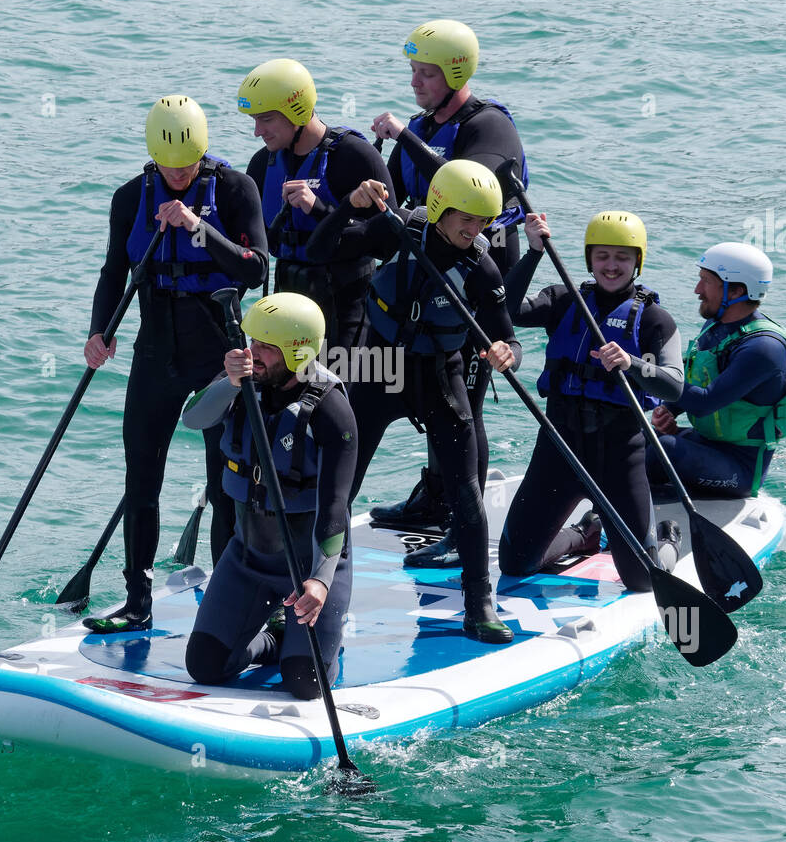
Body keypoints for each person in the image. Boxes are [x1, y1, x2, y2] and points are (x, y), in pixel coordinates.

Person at [305, 159, 521, 643]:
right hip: (380, 370)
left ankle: (479, 600)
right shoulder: (397, 230)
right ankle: (303, 585)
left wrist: (508, 352)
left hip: (441, 375)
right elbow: (319, 250)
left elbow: (509, 337)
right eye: (465, 217)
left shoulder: (481, 267)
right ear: (439, 206)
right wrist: (347, 208)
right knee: (339, 482)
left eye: (483, 220)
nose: (474, 228)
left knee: (466, 489)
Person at [82, 95, 267, 633]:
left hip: (221, 359)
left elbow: (257, 270)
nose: (180, 176)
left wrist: (197, 229)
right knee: (141, 479)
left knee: (226, 480)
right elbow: (113, 271)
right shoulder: (130, 197)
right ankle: (137, 602)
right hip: (155, 355)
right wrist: (100, 331)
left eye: (188, 166)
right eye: (170, 168)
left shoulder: (235, 191)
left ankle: (227, 602)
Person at [367, 19, 529, 555]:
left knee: (466, 404)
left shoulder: (490, 127)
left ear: (456, 72)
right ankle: (435, 499)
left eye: (426, 73)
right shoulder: (419, 123)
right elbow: (392, 199)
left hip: (479, 276)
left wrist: (405, 138)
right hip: (425, 276)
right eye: (412, 71)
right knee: (429, 389)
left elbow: (463, 190)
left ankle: (465, 527)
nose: (415, 82)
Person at [181, 293, 357, 699]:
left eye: (265, 347)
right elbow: (193, 419)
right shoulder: (243, 383)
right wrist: (228, 382)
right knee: (205, 666)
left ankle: (323, 645)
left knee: (304, 684)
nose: (251, 354)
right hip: (248, 558)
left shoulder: (331, 411)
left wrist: (320, 582)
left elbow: (334, 507)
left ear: (300, 353)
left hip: (309, 566)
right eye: (251, 341)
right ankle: (273, 642)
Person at [499, 211, 685, 591]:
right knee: (515, 563)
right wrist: (533, 252)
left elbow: (675, 386)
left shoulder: (654, 320)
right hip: (559, 452)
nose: (611, 266)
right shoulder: (564, 299)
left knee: (642, 580)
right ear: (589, 259)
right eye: (602, 256)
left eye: (622, 257)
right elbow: (506, 309)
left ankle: (667, 540)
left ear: (637, 261)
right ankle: (585, 534)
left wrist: (631, 363)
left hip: (619, 458)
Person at [239, 59, 396, 349]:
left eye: (266, 119)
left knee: (336, 391)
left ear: (295, 110)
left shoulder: (355, 157)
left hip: (346, 310)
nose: (257, 131)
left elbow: (390, 243)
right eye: (255, 120)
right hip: (287, 307)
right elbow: (255, 247)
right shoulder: (262, 164)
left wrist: (323, 210)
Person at [647, 242, 786, 498]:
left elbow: (704, 402)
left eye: (706, 281)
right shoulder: (716, 326)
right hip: (704, 444)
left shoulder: (763, 348)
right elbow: (693, 378)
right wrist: (669, 409)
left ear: (735, 291)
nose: (697, 290)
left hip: (738, 468)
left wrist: (642, 370)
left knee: (663, 449)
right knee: (633, 436)